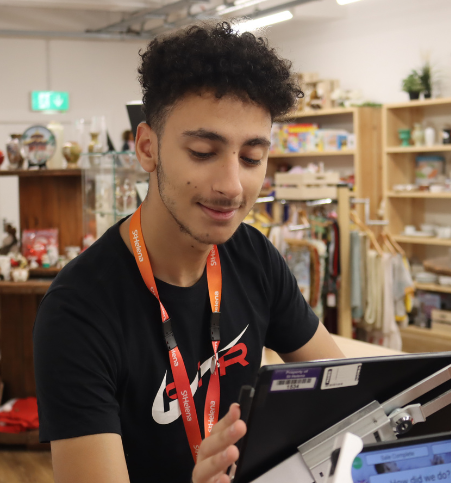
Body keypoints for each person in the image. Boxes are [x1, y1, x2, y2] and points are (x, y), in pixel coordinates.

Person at [33, 22, 344, 483]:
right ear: (147, 147)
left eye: (252, 158)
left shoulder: (253, 255)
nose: (232, 185)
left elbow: (344, 385)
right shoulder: (78, 311)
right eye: (203, 151)